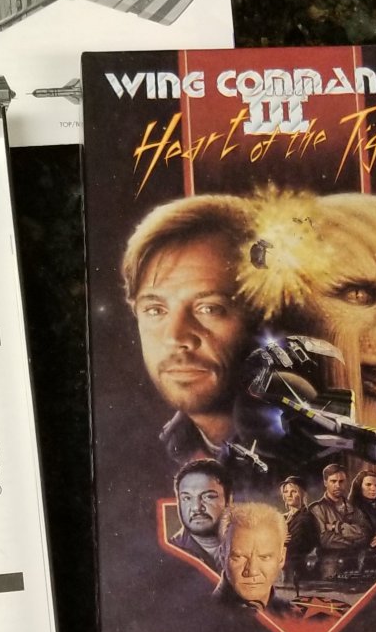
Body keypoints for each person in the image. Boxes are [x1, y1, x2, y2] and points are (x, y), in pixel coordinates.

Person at [121, 194, 266, 485]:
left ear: (263, 315)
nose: (175, 337)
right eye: (155, 310)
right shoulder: (147, 456)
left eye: (209, 308)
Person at [213, 502, 289, 614]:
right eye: (239, 557)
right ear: (222, 555)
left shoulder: (294, 616)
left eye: (265, 557)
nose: (252, 571)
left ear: (282, 558)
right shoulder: (199, 615)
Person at [308, 462, 372, 583]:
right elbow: (325, 539)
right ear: (325, 482)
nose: (338, 485)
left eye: (341, 481)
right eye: (333, 481)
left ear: (346, 482)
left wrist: (336, 527)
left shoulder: (354, 508)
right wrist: (354, 539)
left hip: (354, 568)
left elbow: (366, 534)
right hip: (329, 571)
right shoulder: (317, 509)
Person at [170, 458, 231, 573]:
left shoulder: (251, 546)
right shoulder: (169, 553)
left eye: (208, 497)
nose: (196, 507)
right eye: (187, 498)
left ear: (228, 501)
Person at [280, 475, 317, 592]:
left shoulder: (305, 518)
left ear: (302, 494)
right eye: (286, 491)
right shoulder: (283, 518)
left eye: (293, 491)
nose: (289, 495)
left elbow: (294, 545)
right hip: (284, 570)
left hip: (296, 572)